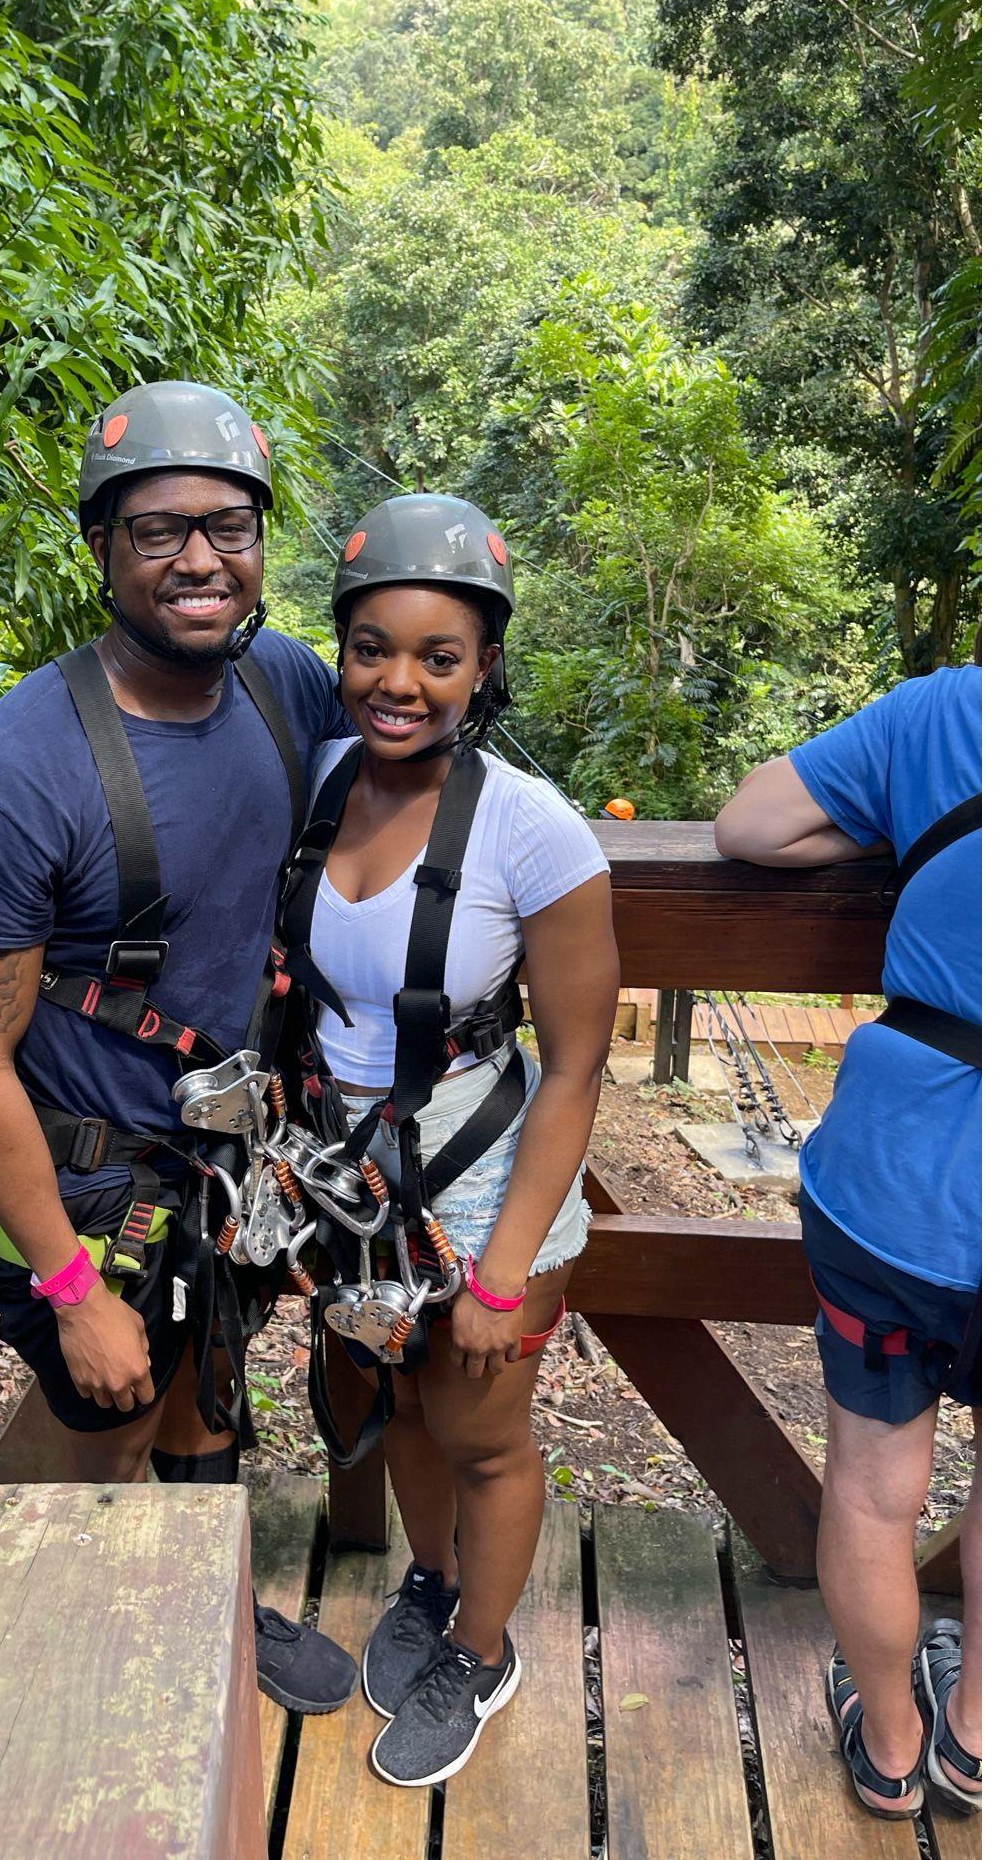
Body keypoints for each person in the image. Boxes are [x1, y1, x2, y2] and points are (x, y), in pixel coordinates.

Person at [0, 379, 358, 1715]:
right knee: (103, 1410)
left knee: (210, 1384)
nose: (201, 560)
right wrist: (66, 1284)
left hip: (236, 1149)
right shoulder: (7, 773)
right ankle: (36, 1661)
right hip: (94, 1181)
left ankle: (203, 1609)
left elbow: (395, 801)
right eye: (159, 531)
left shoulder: (283, 688)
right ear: (101, 548)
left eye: (229, 526)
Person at [279, 494, 620, 1786]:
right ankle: (428, 1584)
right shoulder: (319, 783)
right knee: (403, 1407)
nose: (398, 682)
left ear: (483, 668)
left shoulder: (532, 829)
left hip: (483, 1176)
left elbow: (579, 1064)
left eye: (437, 657)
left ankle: (481, 1646)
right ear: (341, 649)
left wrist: (500, 1267)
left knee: (483, 1430)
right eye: (372, 648)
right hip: (349, 1169)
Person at [714, 661, 981, 1822]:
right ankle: (979, 1741)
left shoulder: (954, 712)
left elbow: (749, 826)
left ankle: (889, 1742)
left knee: (875, 1490)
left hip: (897, 1185)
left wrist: (901, 839)